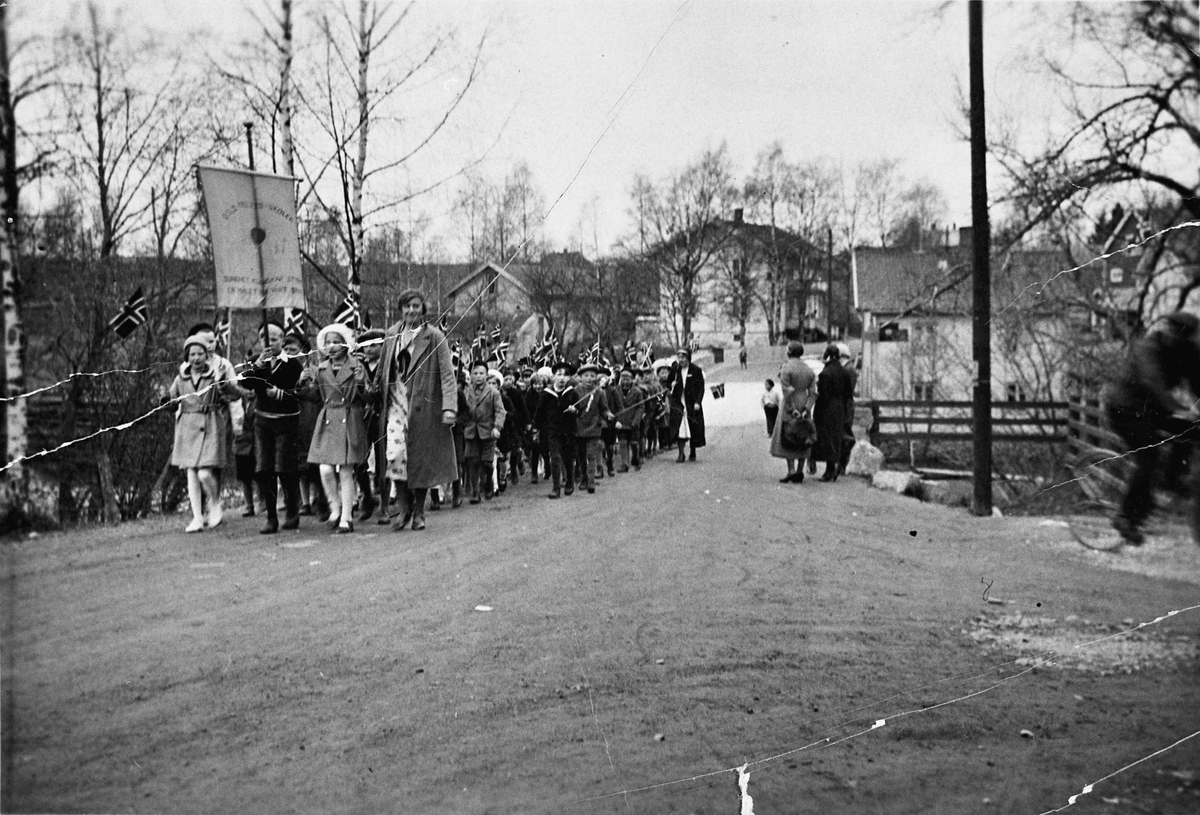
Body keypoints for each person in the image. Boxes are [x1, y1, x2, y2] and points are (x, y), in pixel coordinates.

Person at [1103, 311, 1200, 545]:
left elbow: (1198, 380)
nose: (1173, 338)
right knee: (1149, 454)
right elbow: (1152, 381)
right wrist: (1179, 409)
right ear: (1167, 331)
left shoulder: (1187, 352)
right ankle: (1126, 517)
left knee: (1194, 430)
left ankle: (1172, 480)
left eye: (1182, 337)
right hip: (1124, 408)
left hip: (1154, 409)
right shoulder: (1147, 348)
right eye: (1171, 333)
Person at [377, 289, 459, 531]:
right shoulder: (392, 334)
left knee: (419, 460)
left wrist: (449, 407)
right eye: (407, 306)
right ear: (400, 309)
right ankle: (404, 508)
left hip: (422, 407)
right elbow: (383, 369)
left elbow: (447, 374)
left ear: (423, 309)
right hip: (395, 404)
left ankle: (419, 511)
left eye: (416, 306)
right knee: (395, 455)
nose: (411, 310)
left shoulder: (434, 337)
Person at [169, 334, 242, 532]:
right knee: (191, 473)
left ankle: (215, 502)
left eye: (200, 354)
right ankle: (197, 518)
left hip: (210, 424)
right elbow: (170, 398)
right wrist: (168, 403)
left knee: (204, 473)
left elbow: (236, 394)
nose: (196, 358)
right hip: (187, 426)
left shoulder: (215, 374)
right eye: (192, 354)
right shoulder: (180, 377)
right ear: (187, 356)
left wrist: (223, 384)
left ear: (206, 355)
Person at [303, 323, 369, 534]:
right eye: (328, 342)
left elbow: (366, 396)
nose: (332, 346)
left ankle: (347, 518)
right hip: (329, 418)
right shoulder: (321, 369)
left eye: (337, 342)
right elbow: (315, 396)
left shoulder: (356, 366)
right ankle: (335, 507)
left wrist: (361, 383)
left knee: (346, 470)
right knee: (325, 468)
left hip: (349, 417)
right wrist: (304, 383)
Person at [242, 321, 305, 534]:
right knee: (264, 468)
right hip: (263, 422)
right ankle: (271, 517)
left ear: (282, 340)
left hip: (286, 421)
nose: (269, 342)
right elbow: (246, 384)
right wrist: (259, 364)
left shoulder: (292, 363)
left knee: (286, 468)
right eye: (264, 338)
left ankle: (292, 511)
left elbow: (302, 392)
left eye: (275, 338)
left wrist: (282, 393)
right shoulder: (255, 361)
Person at [769, 340, 816, 483]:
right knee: (803, 435)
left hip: (791, 403)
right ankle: (800, 470)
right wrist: (806, 408)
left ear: (789, 352)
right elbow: (813, 393)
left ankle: (791, 470)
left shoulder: (786, 368)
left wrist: (793, 409)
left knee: (788, 435)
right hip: (804, 402)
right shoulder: (809, 370)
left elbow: (786, 391)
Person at [461, 362, 506, 504]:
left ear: (487, 375)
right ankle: (475, 492)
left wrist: (497, 427)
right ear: (471, 376)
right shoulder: (466, 392)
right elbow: (462, 409)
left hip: (488, 433)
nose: (478, 376)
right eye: (475, 373)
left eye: (481, 373)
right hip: (471, 432)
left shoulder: (493, 393)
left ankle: (488, 483)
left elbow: (500, 411)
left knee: (487, 462)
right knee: (472, 462)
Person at [535, 361, 579, 498]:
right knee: (555, 457)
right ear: (553, 376)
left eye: (566, 375)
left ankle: (570, 482)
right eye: (559, 374)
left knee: (567, 458)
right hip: (553, 431)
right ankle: (555, 488)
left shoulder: (572, 393)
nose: (562, 378)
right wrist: (535, 428)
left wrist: (575, 410)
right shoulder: (547, 393)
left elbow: (581, 411)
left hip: (569, 431)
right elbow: (539, 412)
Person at [813, 343, 853, 482]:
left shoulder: (825, 373)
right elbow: (849, 393)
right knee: (837, 437)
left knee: (827, 439)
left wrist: (818, 412)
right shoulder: (844, 372)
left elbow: (822, 394)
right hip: (840, 407)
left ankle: (829, 471)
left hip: (827, 407)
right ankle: (836, 467)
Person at [572, 362, 614, 494]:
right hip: (578, 428)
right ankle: (584, 478)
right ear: (580, 377)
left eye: (592, 375)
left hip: (594, 428)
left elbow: (604, 409)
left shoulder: (599, 392)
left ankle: (591, 482)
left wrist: (608, 415)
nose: (589, 378)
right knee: (581, 456)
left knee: (591, 455)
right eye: (586, 375)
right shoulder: (575, 392)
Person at [668, 348, 706, 462]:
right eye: (679, 357)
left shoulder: (696, 370)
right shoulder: (674, 370)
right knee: (680, 427)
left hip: (691, 403)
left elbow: (701, 388)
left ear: (688, 358)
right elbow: (667, 384)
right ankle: (681, 453)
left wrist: (698, 402)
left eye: (683, 357)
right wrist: (671, 384)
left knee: (692, 427)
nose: (681, 360)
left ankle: (693, 451)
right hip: (679, 403)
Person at [612, 367, 645, 472]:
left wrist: (636, 421)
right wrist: (616, 420)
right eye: (623, 378)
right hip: (621, 422)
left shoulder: (638, 392)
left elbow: (641, 407)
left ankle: (635, 458)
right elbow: (613, 406)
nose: (625, 381)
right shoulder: (615, 390)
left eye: (628, 378)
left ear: (632, 379)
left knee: (634, 443)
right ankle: (624, 464)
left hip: (633, 422)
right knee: (622, 442)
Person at [836, 343, 859, 476]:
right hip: (844, 404)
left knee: (844, 435)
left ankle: (842, 465)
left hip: (845, 405)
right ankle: (840, 464)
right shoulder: (846, 368)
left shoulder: (848, 369)